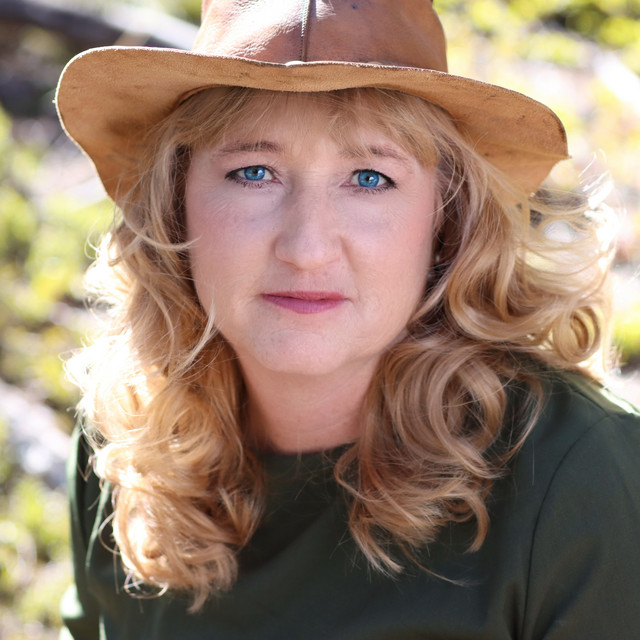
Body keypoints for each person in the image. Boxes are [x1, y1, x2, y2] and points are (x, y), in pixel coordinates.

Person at [56, 1, 640, 638]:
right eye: (253, 172)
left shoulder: (580, 476)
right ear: (175, 204)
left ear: (447, 221)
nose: (307, 247)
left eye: (369, 177)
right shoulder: (129, 440)